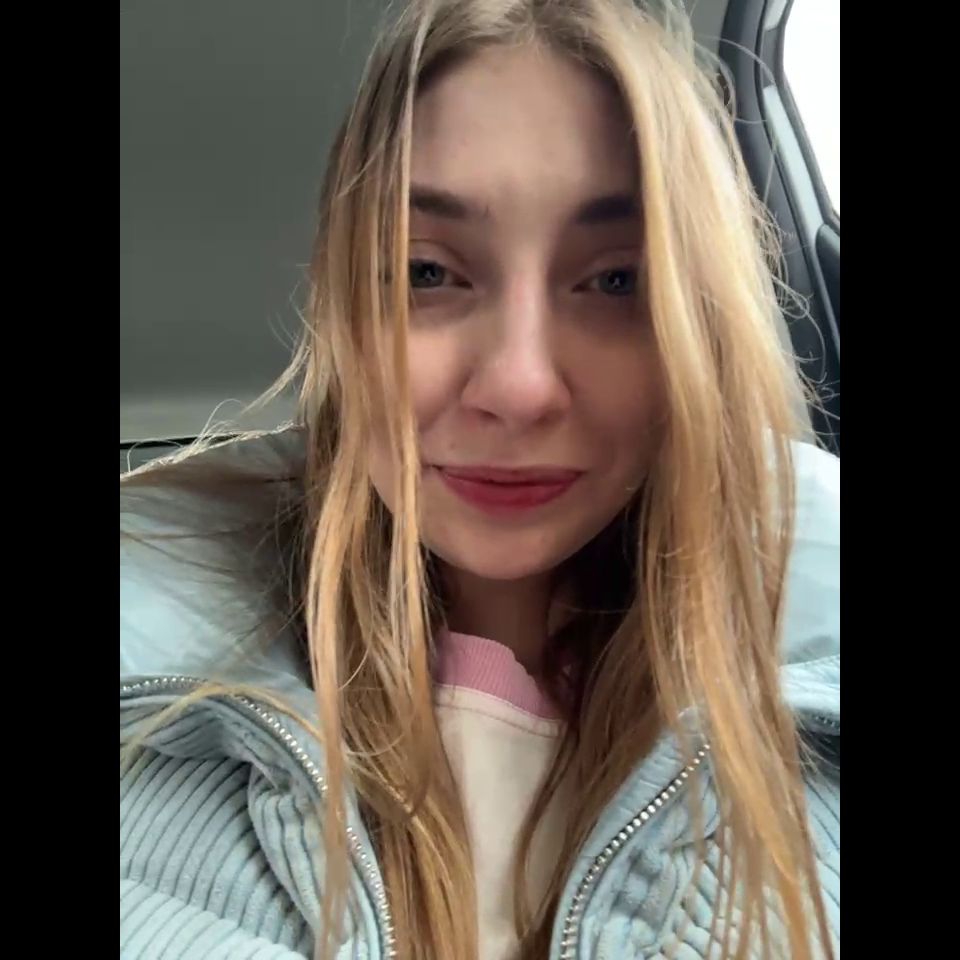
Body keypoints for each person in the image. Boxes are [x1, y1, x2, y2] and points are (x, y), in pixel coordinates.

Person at [120, 1, 840, 958]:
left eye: (618, 281)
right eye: (426, 272)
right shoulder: (150, 727)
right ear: (343, 311)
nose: (519, 387)